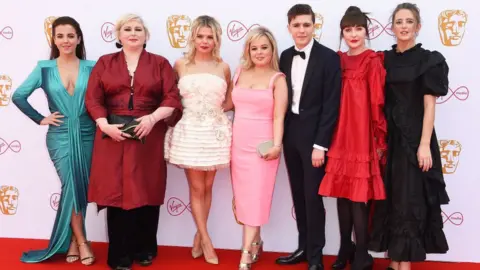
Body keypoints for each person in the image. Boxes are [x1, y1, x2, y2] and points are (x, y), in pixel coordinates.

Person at [85, 14, 182, 270]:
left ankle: (145, 248)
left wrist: (151, 119)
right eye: (127, 29)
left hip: (148, 133)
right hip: (112, 133)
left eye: (138, 29)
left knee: (146, 190)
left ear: (146, 35)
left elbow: (172, 98)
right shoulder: (105, 63)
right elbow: (93, 99)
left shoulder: (160, 63)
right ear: (118, 36)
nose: (133, 33)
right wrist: (104, 124)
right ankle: (120, 256)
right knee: (117, 193)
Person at [368, 3, 450, 270]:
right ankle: (395, 262)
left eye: (409, 21)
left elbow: (429, 106)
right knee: (392, 198)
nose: (403, 26)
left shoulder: (429, 60)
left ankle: (404, 266)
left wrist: (424, 145)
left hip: (415, 140)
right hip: (389, 140)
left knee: (409, 199)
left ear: (418, 26)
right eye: (399, 22)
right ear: (392, 27)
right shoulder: (384, 59)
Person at [12, 16, 96, 265]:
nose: (66, 41)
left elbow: (102, 99)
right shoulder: (44, 68)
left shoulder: (92, 66)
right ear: (54, 39)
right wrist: (40, 118)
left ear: (78, 38)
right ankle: (82, 242)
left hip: (87, 133)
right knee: (71, 185)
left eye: (70, 36)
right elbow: (18, 96)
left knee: (80, 187)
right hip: (59, 136)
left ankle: (72, 241)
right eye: (60, 36)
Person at [318, 6, 387, 270]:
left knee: (359, 198)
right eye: (348, 29)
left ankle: (362, 253)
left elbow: (378, 103)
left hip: (361, 136)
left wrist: (380, 140)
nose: (354, 34)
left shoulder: (373, 61)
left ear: (366, 31)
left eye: (358, 29)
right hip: (339, 134)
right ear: (342, 33)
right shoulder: (336, 60)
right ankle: (344, 247)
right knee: (343, 196)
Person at [275, 4, 342, 270]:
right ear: (289, 27)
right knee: (299, 194)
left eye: (306, 25)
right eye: (296, 25)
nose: (301, 30)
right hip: (291, 133)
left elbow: (331, 104)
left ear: (314, 26)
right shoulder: (284, 56)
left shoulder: (329, 58)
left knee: (313, 198)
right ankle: (303, 247)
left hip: (315, 138)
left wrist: (320, 144)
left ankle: (316, 257)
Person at [164, 15, 231, 265]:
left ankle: (197, 236)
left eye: (210, 37)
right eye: (200, 36)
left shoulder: (223, 67)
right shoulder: (180, 64)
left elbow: (230, 100)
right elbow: (171, 97)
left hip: (214, 133)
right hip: (189, 132)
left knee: (208, 187)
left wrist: (213, 113)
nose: (205, 41)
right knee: (196, 188)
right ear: (193, 37)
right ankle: (207, 240)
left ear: (216, 39)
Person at [225, 26, 288, 269]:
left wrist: (277, 146)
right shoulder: (239, 73)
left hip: (263, 148)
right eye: (254, 48)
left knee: (255, 198)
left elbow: (278, 118)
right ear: (247, 51)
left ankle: (245, 253)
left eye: (264, 47)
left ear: (272, 49)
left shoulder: (278, 79)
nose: (259, 52)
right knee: (244, 199)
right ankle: (257, 241)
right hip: (238, 145)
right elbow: (229, 105)